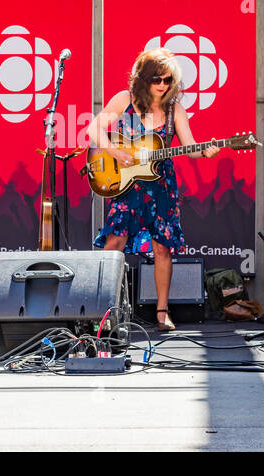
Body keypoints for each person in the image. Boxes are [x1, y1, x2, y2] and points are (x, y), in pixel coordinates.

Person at [90, 48, 219, 332]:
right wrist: (115, 151)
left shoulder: (175, 110)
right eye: (156, 79)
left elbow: (191, 148)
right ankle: (100, 309)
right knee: (115, 243)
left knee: (163, 248)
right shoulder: (125, 100)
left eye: (168, 79)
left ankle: (162, 312)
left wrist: (206, 151)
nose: (162, 84)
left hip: (161, 186)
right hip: (126, 183)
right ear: (143, 79)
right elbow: (94, 130)